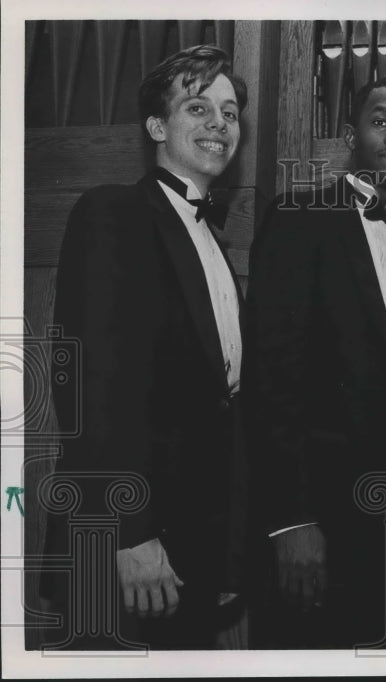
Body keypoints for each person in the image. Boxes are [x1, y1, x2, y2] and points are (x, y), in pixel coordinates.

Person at [43, 45, 249, 650]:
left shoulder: (214, 240)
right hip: (125, 538)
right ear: (157, 127)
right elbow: (89, 384)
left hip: (193, 540)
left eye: (230, 112)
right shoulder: (115, 212)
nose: (219, 122)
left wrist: (226, 550)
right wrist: (129, 533)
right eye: (198, 106)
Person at [244, 77, 386, 648]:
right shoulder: (300, 216)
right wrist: (291, 519)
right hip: (315, 508)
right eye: (381, 121)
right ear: (351, 133)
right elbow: (270, 376)